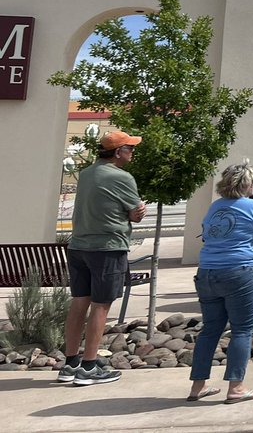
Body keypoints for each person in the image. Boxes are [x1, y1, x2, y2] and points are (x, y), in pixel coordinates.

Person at [59, 130, 147, 386]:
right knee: (101, 305)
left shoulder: (86, 173)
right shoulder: (122, 177)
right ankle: (88, 367)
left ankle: (71, 363)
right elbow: (134, 214)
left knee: (79, 303)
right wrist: (139, 212)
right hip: (107, 247)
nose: (133, 152)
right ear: (118, 152)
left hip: (79, 246)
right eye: (130, 148)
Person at [187, 161, 253, 404]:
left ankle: (198, 386)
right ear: (246, 184)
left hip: (207, 271)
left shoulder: (215, 207)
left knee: (210, 330)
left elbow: (206, 236)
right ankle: (236, 387)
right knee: (242, 330)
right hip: (240, 271)